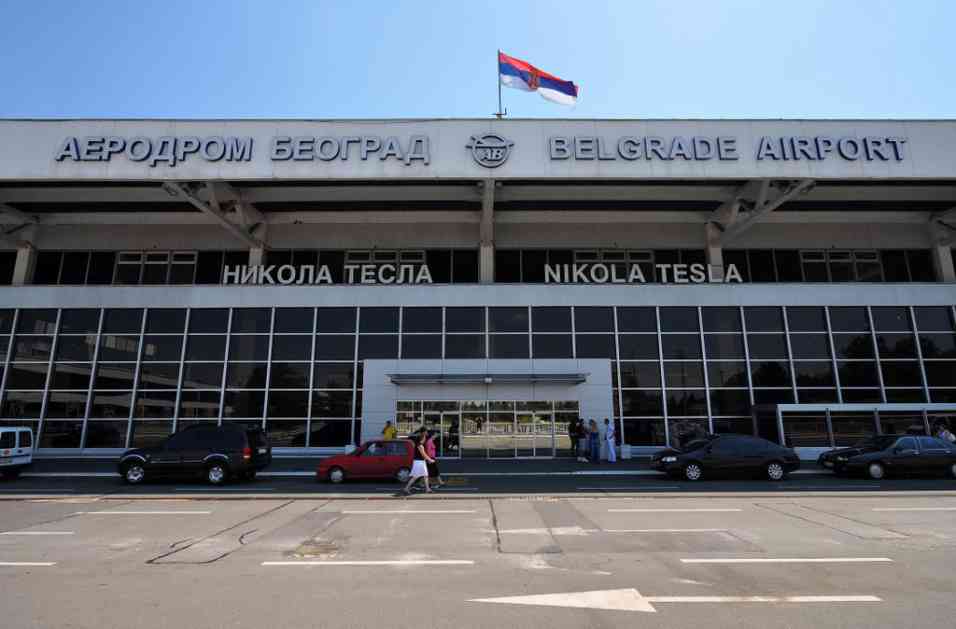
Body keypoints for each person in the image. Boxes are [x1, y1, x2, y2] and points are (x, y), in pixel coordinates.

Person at [399, 428, 434, 496]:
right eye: (424, 439)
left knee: (425, 475)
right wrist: (430, 460)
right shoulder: (420, 446)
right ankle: (406, 488)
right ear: (421, 439)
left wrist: (427, 460)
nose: (425, 440)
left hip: (420, 462)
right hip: (419, 462)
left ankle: (427, 489)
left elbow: (424, 455)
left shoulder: (420, 445)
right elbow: (423, 454)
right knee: (416, 476)